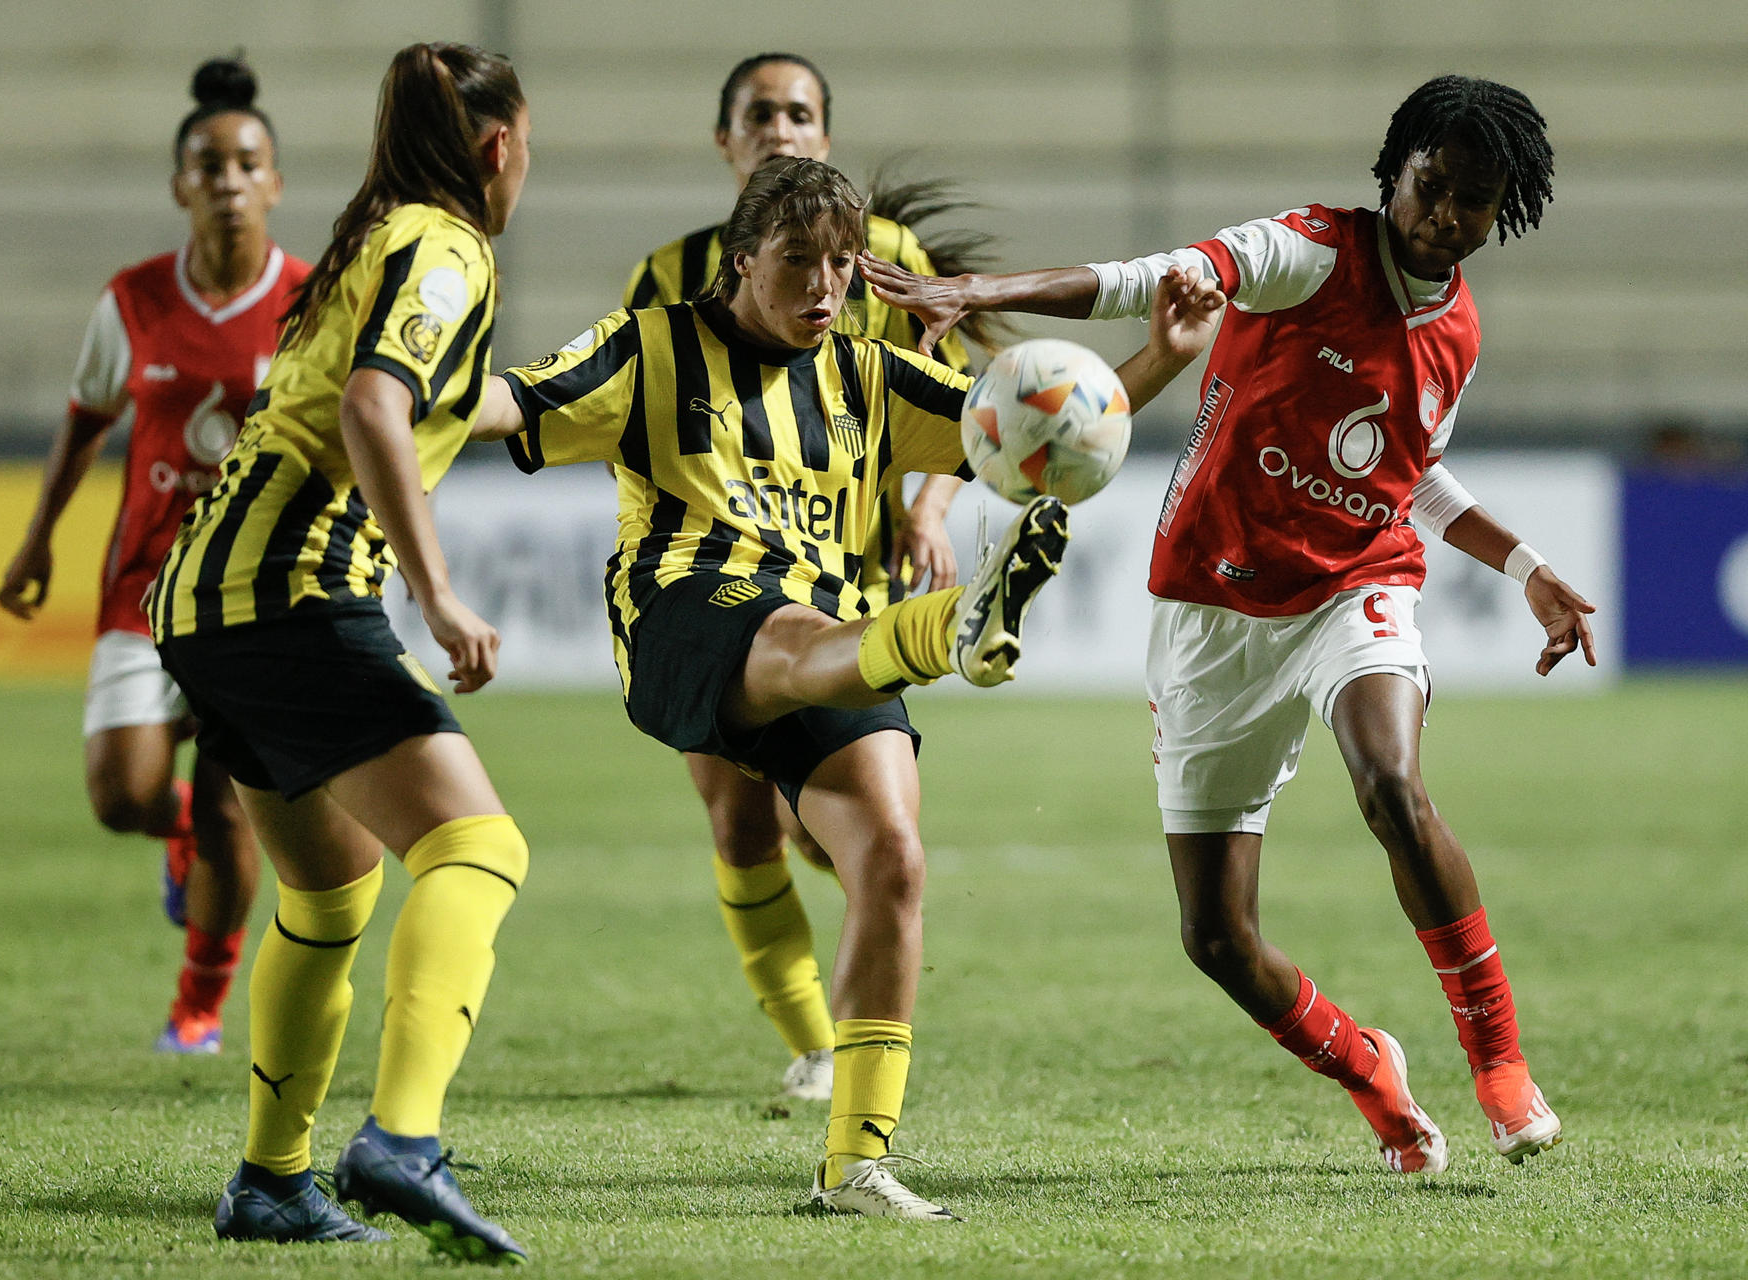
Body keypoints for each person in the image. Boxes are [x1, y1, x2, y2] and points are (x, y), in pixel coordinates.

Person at [860, 74, 1592, 1173]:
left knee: (1391, 782)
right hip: (1210, 605)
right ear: (1395, 169)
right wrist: (985, 291)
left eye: (1474, 201)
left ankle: (1499, 1059)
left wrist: (1525, 564)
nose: (1446, 215)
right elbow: (1159, 276)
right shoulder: (1311, 247)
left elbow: (1413, 475)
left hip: (1353, 585)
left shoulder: (1459, 330)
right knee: (1215, 937)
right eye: (1432, 185)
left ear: (1504, 211)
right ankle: (1368, 1066)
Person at [472, 156, 1226, 1218]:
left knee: (894, 857)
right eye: (798, 263)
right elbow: (514, 403)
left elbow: (1047, 424)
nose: (826, 287)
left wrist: (1162, 354)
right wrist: (399, 395)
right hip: (686, 613)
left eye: (840, 265)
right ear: (742, 261)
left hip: (840, 629)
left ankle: (855, 1165)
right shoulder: (652, 346)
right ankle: (948, 628)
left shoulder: (866, 374)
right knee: (791, 639)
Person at [148, 42, 532, 1258]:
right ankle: (402, 1138)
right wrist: (441, 592)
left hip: (208, 592)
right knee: (478, 844)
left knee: (328, 892)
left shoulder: (373, 231)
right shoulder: (450, 244)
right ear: (498, 147)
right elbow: (375, 405)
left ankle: (270, 1181)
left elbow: (411, 400)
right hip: (291, 588)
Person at [623, 51, 988, 1103]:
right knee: (739, 816)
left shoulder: (890, 258)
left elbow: (958, 407)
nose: (780, 128)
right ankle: (817, 1045)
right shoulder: (665, 277)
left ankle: (857, 1004)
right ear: (726, 141)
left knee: (861, 833)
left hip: (850, 577)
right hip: (713, 585)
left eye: (800, 113)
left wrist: (927, 509)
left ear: (823, 137)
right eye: (759, 114)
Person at [0, 55, 301, 1055]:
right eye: (207, 165)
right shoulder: (131, 302)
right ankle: (175, 833)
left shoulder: (308, 300)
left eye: (245, 163)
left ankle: (198, 1007)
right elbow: (85, 424)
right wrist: (37, 538)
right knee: (122, 794)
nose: (227, 180)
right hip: (144, 594)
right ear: (180, 185)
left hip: (256, 598)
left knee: (231, 805)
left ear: (275, 182)